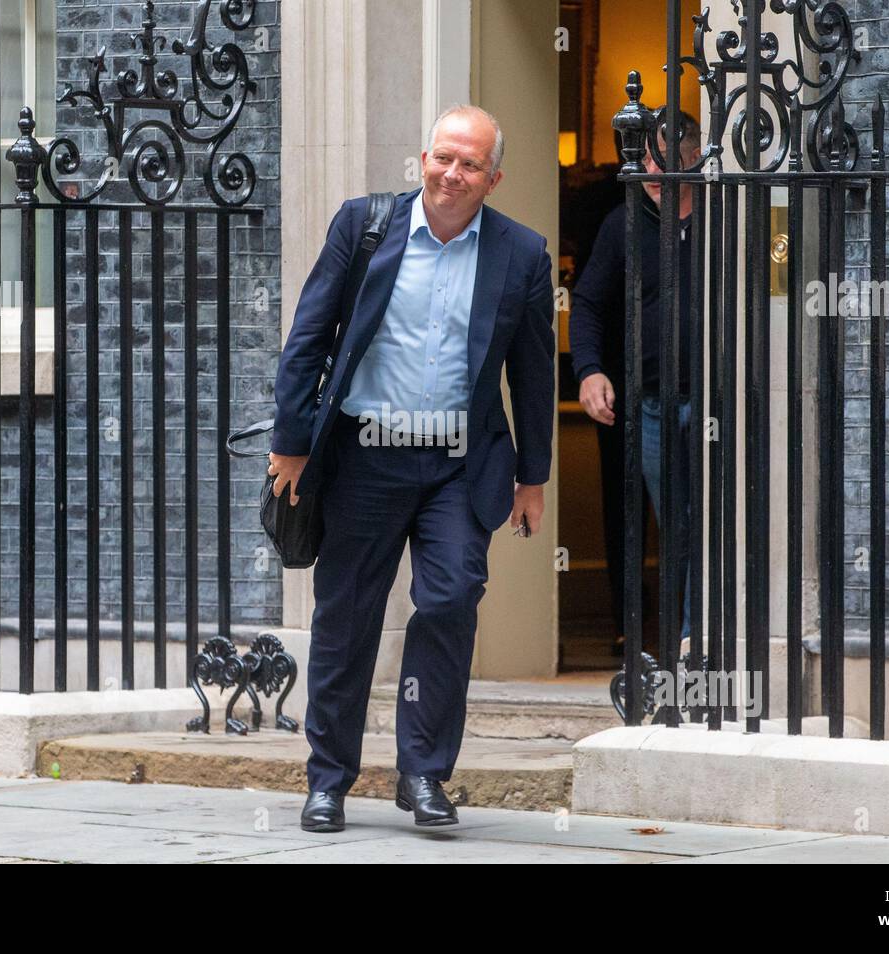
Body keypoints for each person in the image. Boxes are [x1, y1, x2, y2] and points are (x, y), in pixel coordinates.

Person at [268, 105, 555, 833]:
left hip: (459, 466)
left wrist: (532, 476)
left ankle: (423, 773)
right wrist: (292, 441)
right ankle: (328, 780)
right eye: (442, 158)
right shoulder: (363, 227)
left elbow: (532, 372)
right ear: (423, 158)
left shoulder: (521, 254)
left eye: (469, 165)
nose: (451, 175)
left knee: (451, 600)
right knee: (345, 619)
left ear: (494, 178)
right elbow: (307, 337)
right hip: (364, 457)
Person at [569, 110, 703, 658]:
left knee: (706, 522)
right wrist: (590, 369)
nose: (653, 167)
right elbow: (588, 304)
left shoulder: (726, 213)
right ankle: (673, 642)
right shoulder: (621, 223)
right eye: (646, 156)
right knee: (672, 523)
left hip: (720, 400)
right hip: (650, 402)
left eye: (666, 156)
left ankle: (697, 640)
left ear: (695, 155)